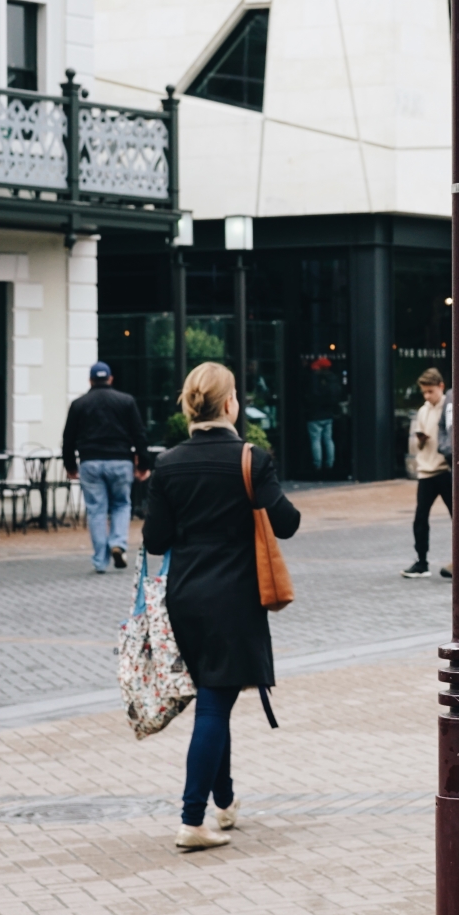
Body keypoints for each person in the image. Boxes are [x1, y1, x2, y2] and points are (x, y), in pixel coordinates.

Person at [141, 362, 301, 851]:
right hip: (234, 598)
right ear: (230, 404)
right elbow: (288, 523)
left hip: (185, 597)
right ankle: (192, 820)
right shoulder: (251, 458)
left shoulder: (168, 464)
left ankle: (225, 802)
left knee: (218, 692)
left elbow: (154, 540)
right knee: (214, 703)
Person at [62, 361, 149, 573]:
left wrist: (70, 466)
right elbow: (139, 434)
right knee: (121, 504)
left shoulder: (79, 404)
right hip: (120, 461)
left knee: (96, 510)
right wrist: (144, 464)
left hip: (90, 462)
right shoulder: (126, 401)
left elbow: (68, 439)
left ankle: (100, 561)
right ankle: (118, 543)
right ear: (110, 379)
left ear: (90, 380)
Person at [403, 368, 452, 579]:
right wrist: (420, 441)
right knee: (420, 518)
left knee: (457, 517)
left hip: (445, 470)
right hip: (427, 471)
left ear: (441, 386)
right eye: (424, 392)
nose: (427, 396)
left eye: (430, 391)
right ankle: (421, 561)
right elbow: (416, 445)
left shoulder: (449, 407)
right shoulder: (423, 411)